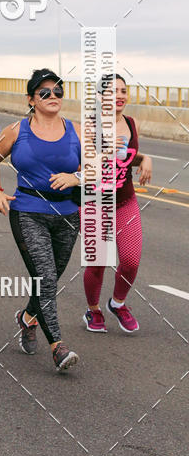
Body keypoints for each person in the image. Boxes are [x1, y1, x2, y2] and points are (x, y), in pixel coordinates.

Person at [0, 69, 82, 373]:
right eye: (45, 92)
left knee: (49, 280)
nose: (53, 97)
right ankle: (58, 348)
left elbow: (101, 166)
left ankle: (27, 318)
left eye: (58, 92)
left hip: (67, 215)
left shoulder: (77, 130)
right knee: (46, 277)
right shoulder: (17, 130)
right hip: (27, 211)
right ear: (31, 99)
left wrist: (75, 176)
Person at [83, 74, 152, 333]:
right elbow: (82, 166)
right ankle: (93, 310)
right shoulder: (90, 125)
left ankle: (117, 302)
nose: (120, 95)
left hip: (125, 201)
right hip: (94, 203)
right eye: (113, 91)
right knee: (98, 261)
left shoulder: (131, 124)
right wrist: (103, 152)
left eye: (123, 90)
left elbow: (128, 158)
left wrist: (146, 159)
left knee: (131, 260)